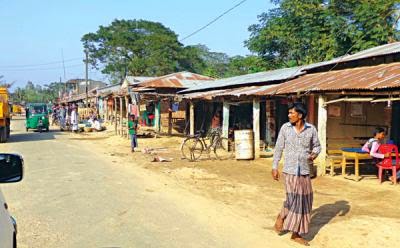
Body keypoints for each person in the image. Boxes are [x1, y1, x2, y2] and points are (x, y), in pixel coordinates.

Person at [272, 102, 321, 246]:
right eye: (288, 113)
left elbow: (317, 146)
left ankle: (296, 233)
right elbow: (278, 148)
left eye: (291, 113)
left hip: (305, 171)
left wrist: (313, 154)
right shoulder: (285, 128)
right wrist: (275, 166)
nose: (289, 115)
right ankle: (281, 217)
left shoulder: (311, 129)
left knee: (305, 201)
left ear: (299, 115)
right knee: (293, 198)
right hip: (290, 170)